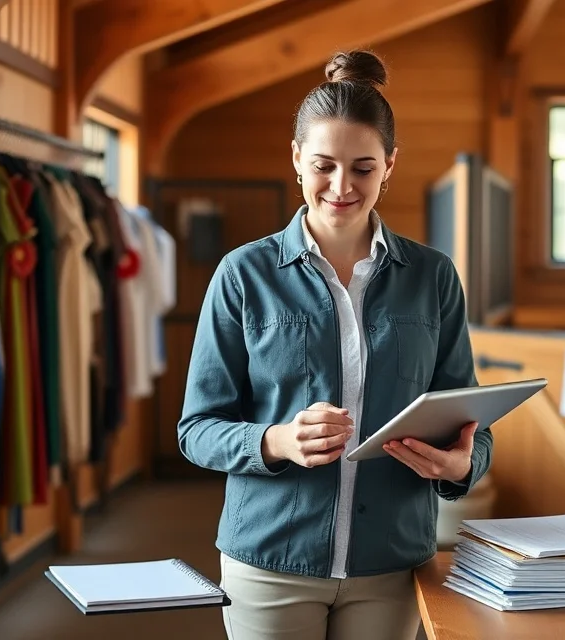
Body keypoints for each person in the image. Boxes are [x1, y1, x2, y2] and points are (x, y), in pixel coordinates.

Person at [176, 49, 493, 640]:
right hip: (269, 563)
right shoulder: (243, 275)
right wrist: (276, 440)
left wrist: (461, 465)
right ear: (296, 159)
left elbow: (471, 421)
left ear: (390, 166)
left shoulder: (433, 277)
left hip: (393, 564)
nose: (341, 187)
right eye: (323, 165)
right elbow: (197, 429)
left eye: (364, 168)